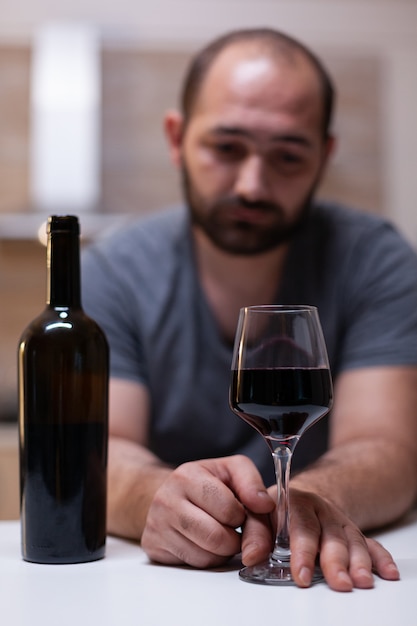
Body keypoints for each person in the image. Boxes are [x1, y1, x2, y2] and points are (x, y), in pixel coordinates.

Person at [81, 28, 417, 592]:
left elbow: (390, 446)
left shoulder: (376, 261)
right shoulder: (112, 270)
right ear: (177, 137)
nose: (253, 184)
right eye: (227, 148)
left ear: (324, 156)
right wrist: (155, 497)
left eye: (287, 156)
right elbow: (102, 447)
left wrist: (308, 506)